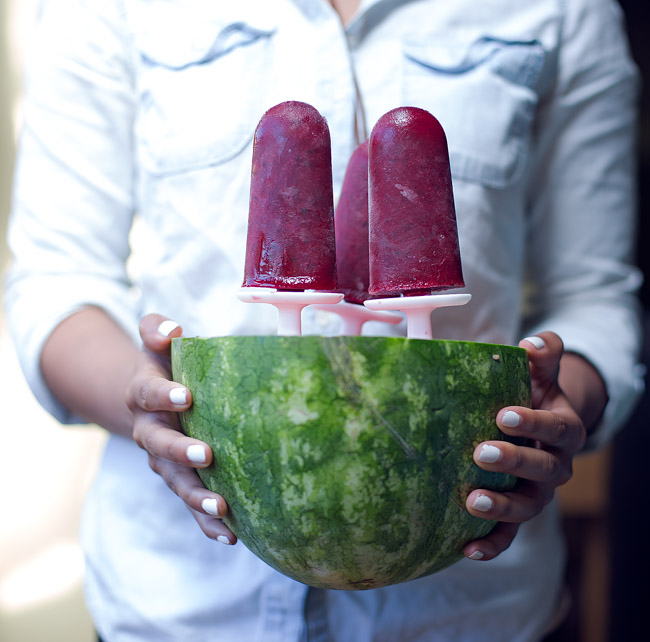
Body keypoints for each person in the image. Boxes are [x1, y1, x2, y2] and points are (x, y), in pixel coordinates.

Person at [4, 0, 643, 640]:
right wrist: (145, 403)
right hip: (178, 605)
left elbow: (596, 296)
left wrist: (550, 422)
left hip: (474, 610)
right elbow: (56, 280)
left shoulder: (565, 9)